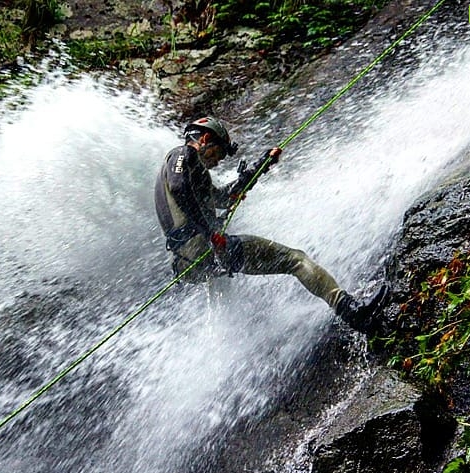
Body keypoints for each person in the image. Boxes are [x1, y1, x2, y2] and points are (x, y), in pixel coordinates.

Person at [154, 116, 388, 333]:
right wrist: (209, 233)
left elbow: (224, 198)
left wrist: (259, 167)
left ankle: (235, 345)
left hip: (188, 263)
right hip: (202, 249)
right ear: (205, 139)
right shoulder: (182, 155)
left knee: (222, 294)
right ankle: (351, 310)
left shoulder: (195, 174)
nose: (217, 161)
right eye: (218, 153)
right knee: (295, 259)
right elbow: (178, 187)